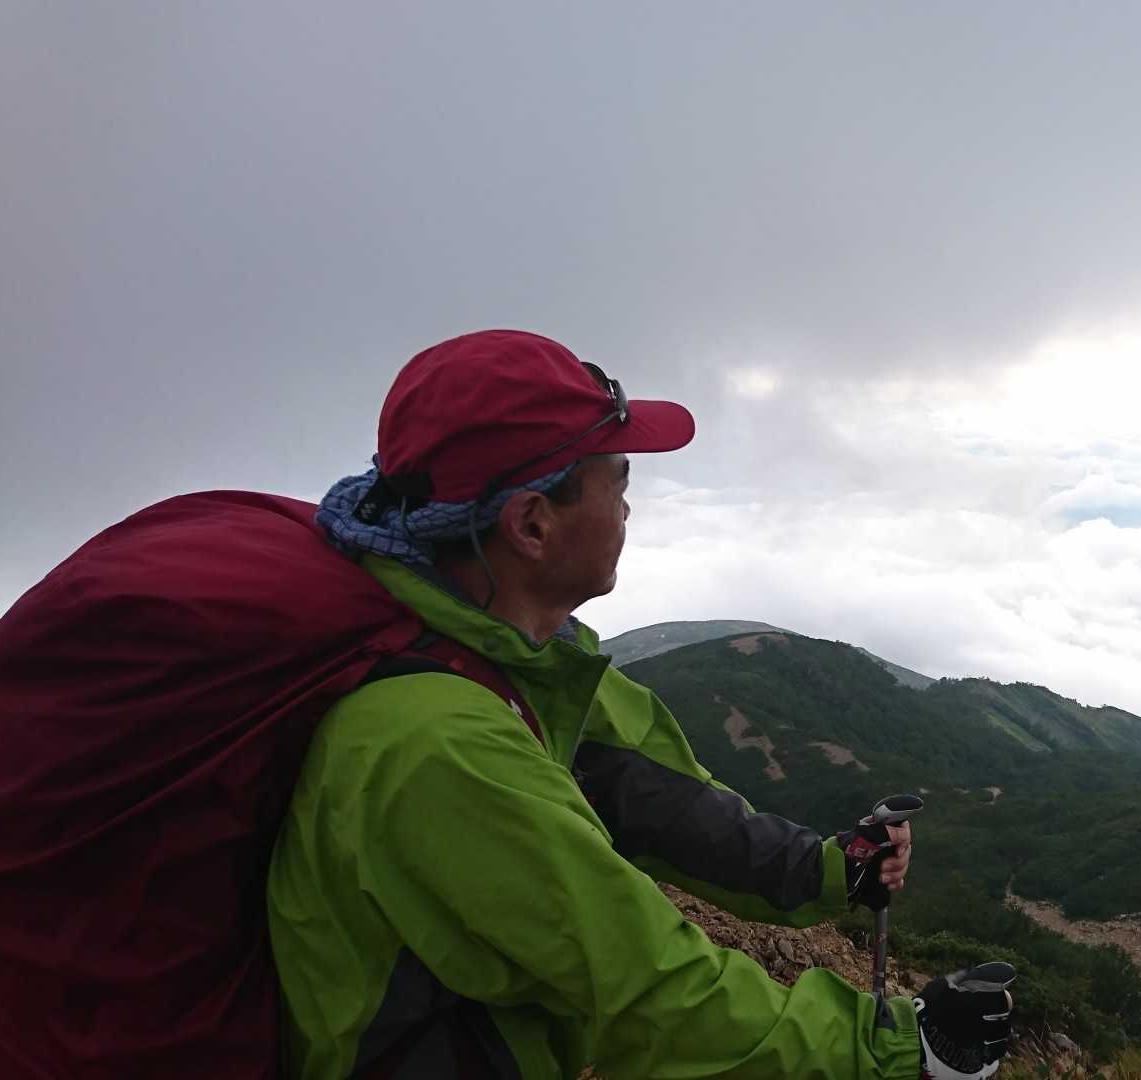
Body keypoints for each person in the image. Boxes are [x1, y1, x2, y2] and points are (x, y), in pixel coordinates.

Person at [265, 329, 1013, 1079]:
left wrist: (832, 869)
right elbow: (649, 988)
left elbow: (673, 807)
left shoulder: (531, 661)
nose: (629, 509)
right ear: (532, 523)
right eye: (618, 483)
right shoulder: (438, 745)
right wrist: (901, 1052)